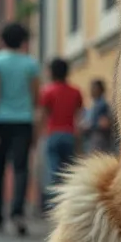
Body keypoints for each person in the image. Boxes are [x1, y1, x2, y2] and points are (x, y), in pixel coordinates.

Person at [0, 22, 40, 235]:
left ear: (3, 39)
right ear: (23, 41)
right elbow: (36, 98)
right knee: (20, 168)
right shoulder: (30, 64)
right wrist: (35, 126)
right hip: (24, 122)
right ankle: (17, 211)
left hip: (0, 121)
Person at [39, 58, 84, 193]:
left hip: (53, 134)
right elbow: (79, 116)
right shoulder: (76, 91)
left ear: (51, 72)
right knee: (69, 171)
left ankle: (54, 205)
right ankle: (68, 201)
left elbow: (43, 115)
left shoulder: (47, 91)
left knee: (53, 170)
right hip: (70, 134)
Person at [82, 79, 113, 153]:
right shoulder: (93, 104)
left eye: (94, 88)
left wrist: (90, 125)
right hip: (92, 139)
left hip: (99, 139)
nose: (92, 90)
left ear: (101, 90)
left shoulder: (102, 105)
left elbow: (105, 123)